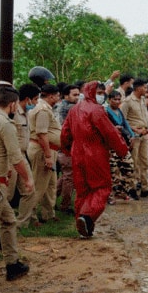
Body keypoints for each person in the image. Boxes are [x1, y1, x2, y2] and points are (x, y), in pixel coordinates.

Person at [61, 81, 129, 238]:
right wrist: (122, 149)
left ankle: (83, 226)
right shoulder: (97, 110)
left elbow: (65, 133)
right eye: (100, 92)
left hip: (77, 154)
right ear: (93, 92)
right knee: (102, 187)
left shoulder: (74, 110)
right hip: (95, 154)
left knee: (83, 191)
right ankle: (87, 217)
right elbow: (110, 133)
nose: (102, 95)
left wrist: (67, 149)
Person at [0, 86, 34, 281]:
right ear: (12, 104)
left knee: (9, 220)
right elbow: (16, 157)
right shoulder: (5, 123)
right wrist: (27, 179)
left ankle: (13, 264)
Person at [18, 84, 61, 227]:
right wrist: (48, 155)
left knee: (51, 184)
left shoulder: (46, 108)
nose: (59, 98)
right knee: (39, 184)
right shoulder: (42, 110)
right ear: (51, 96)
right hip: (43, 150)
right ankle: (30, 216)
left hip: (49, 150)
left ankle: (48, 214)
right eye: (57, 95)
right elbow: (42, 134)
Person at [121, 78, 148, 199]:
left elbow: (145, 117)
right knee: (134, 162)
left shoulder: (142, 100)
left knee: (145, 161)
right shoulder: (127, 102)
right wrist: (135, 130)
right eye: (145, 87)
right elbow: (122, 120)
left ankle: (145, 188)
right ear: (138, 88)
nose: (146, 90)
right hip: (135, 136)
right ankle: (133, 188)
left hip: (145, 134)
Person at [105, 91, 138, 201]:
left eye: (119, 99)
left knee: (129, 167)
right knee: (113, 171)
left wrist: (132, 135)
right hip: (111, 146)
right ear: (109, 99)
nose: (117, 101)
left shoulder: (119, 111)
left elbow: (126, 124)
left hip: (122, 144)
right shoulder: (105, 111)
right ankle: (110, 195)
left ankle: (122, 191)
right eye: (115, 99)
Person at [56, 84, 79, 214]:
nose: (77, 97)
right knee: (69, 177)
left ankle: (52, 199)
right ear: (66, 96)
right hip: (67, 146)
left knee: (66, 175)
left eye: (78, 94)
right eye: (74, 95)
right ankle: (65, 206)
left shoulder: (61, 106)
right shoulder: (69, 108)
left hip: (63, 146)